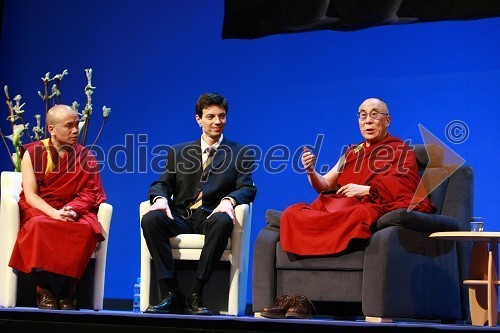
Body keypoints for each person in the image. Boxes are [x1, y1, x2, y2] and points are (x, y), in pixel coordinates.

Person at [141, 92, 257, 315]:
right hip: (182, 217)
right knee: (151, 219)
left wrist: (229, 200)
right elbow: (161, 183)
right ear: (198, 119)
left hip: (212, 217)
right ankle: (171, 292)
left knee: (223, 221)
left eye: (222, 116)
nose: (217, 122)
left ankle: (196, 292)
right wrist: (161, 199)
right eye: (211, 116)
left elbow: (247, 188)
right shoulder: (179, 152)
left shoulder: (240, 152)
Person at [280, 97, 436, 256]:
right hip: (336, 205)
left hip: (364, 205)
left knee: (361, 214)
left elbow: (406, 187)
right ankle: (319, 243)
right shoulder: (351, 152)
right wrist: (311, 170)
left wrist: (367, 190)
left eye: (374, 115)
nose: (368, 121)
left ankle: (322, 240)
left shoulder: (400, 150)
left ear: (387, 120)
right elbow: (325, 184)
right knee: (291, 212)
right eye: (363, 115)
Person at [8, 104, 106, 310]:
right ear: (51, 129)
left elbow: (91, 193)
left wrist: (71, 209)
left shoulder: (86, 156)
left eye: (77, 125)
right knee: (39, 225)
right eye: (68, 126)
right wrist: (54, 213)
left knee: (87, 229)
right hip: (42, 207)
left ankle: (68, 292)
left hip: (73, 209)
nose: (75, 130)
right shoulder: (33, 152)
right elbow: (31, 195)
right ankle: (43, 289)